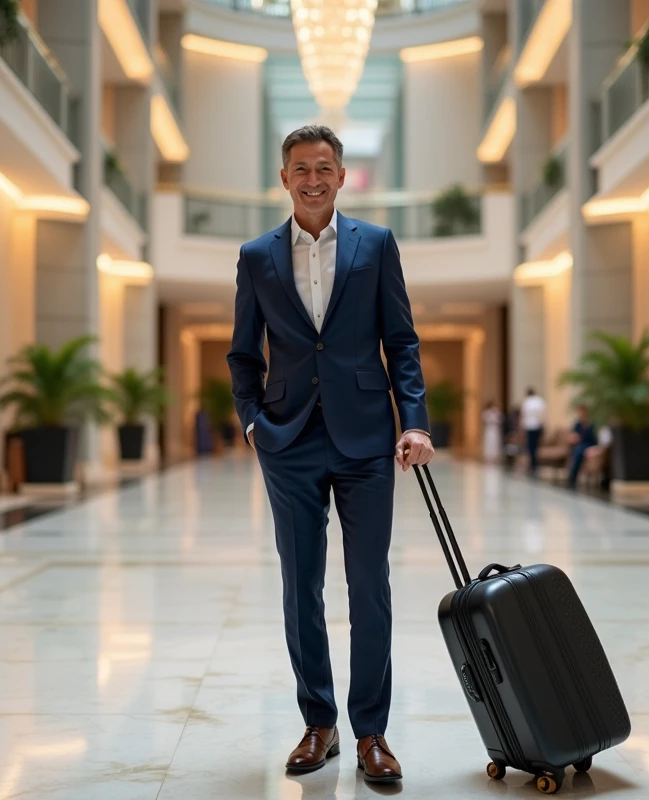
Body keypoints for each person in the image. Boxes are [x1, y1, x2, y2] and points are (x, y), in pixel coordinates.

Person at [227, 125, 434, 784]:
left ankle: (372, 732)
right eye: (299, 169)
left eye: (323, 167)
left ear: (342, 176)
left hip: (368, 439)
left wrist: (416, 423)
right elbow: (241, 352)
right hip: (288, 440)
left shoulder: (375, 245)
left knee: (369, 587)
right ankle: (319, 723)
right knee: (300, 589)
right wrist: (254, 423)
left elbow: (401, 341)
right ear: (283, 178)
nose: (312, 179)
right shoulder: (257, 256)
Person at [566, 404, 599, 489]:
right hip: (580, 444)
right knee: (578, 450)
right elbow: (572, 435)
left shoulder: (591, 424)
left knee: (579, 451)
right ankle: (572, 475)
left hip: (590, 444)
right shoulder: (577, 424)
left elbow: (595, 438)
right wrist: (574, 438)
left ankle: (572, 475)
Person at [520, 387, 546, 475]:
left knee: (531, 446)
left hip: (529, 427)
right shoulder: (539, 401)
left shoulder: (526, 402)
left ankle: (533, 464)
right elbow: (543, 414)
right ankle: (535, 464)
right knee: (536, 445)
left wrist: (523, 428)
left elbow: (523, 416)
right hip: (537, 426)